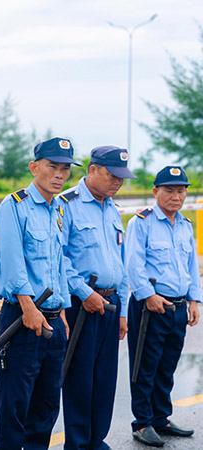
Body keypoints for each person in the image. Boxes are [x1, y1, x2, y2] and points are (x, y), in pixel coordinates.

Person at [0, 137, 78, 450]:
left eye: (65, 169)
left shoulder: (60, 209)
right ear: (34, 167)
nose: (59, 174)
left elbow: (59, 264)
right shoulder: (14, 206)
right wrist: (29, 308)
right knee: (15, 404)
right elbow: (13, 265)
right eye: (52, 166)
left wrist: (64, 314)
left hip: (53, 320)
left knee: (46, 404)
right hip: (24, 318)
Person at [60, 146, 135, 450]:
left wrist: (123, 310)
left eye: (122, 177)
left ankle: (96, 442)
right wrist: (84, 292)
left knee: (104, 380)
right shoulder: (67, 205)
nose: (118, 182)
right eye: (112, 175)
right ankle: (77, 444)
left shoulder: (113, 209)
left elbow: (122, 263)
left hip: (110, 302)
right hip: (83, 304)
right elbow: (60, 259)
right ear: (92, 170)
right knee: (80, 381)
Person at [126, 166, 200, 447]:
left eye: (181, 190)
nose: (176, 196)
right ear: (156, 191)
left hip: (179, 307)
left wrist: (194, 300)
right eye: (169, 190)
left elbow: (192, 265)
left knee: (167, 366)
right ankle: (142, 423)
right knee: (145, 367)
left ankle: (161, 418)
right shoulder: (141, 223)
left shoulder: (185, 224)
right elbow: (133, 263)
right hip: (151, 307)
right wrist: (147, 295)